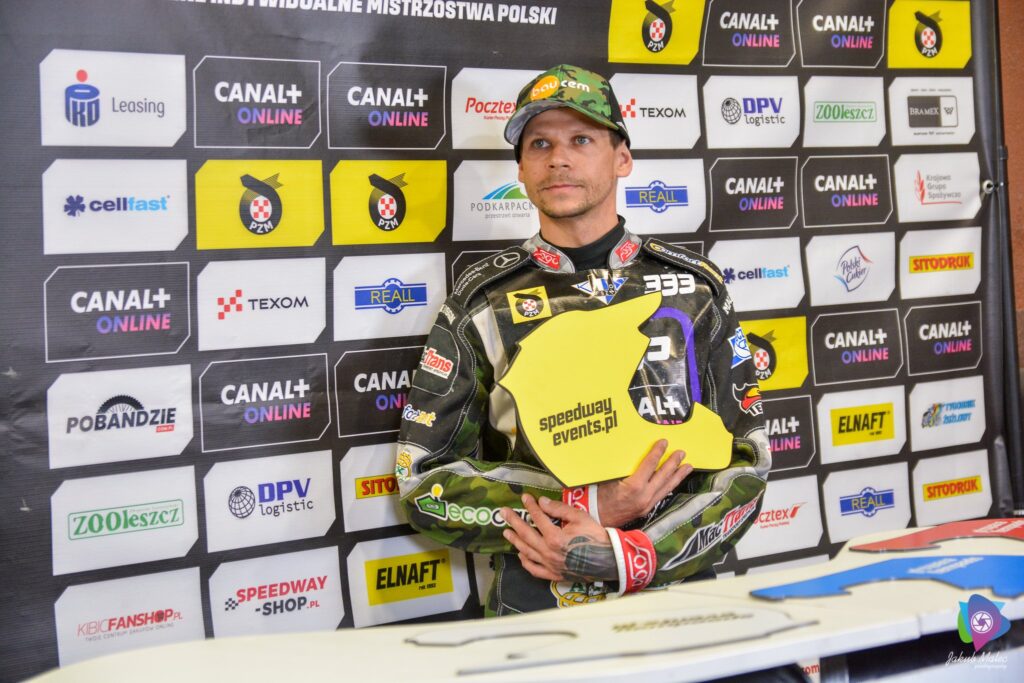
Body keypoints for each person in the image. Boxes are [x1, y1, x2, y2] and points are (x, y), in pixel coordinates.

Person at [395, 64, 770, 614]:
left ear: (622, 158)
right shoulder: (482, 301)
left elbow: (747, 464)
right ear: (521, 169)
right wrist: (590, 503)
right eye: (540, 144)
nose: (558, 159)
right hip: (537, 607)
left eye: (581, 139)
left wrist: (634, 554)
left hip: (680, 600)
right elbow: (422, 482)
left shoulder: (696, 288)